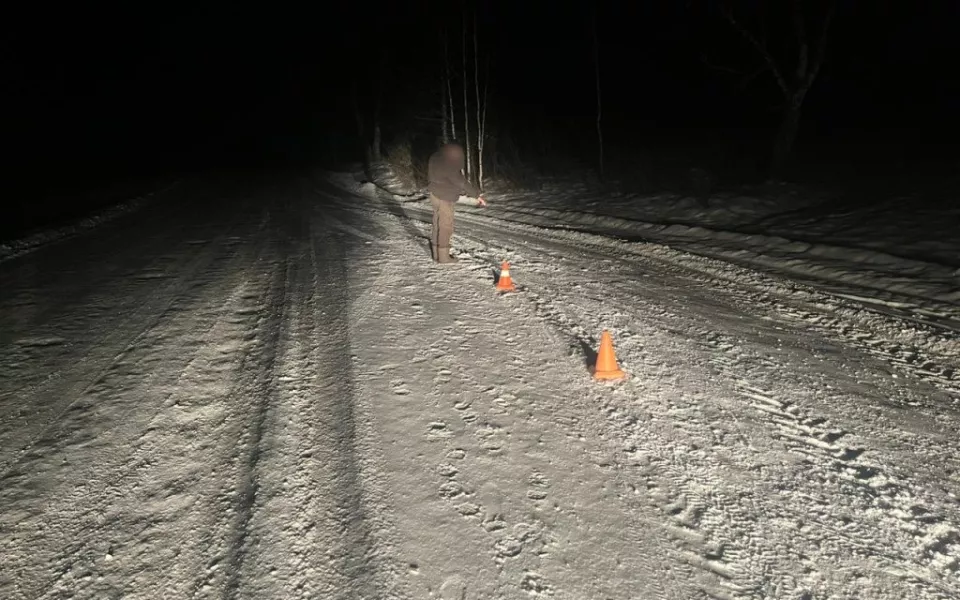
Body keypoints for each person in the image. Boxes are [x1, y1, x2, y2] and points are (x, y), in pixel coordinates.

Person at [426, 142, 486, 263]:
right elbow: (461, 182)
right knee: (446, 227)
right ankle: (443, 257)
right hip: (445, 198)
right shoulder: (448, 163)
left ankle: (436, 254)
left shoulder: (435, 157)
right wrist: (477, 195)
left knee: (437, 223)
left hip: (434, 194)